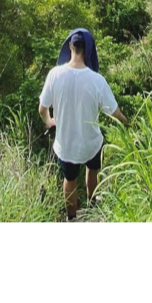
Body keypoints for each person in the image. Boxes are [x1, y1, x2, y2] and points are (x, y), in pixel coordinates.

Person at [39, 30, 126, 220]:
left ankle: (72, 218)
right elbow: (116, 114)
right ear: (88, 50)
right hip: (91, 143)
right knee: (92, 171)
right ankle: (92, 207)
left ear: (69, 47)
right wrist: (129, 125)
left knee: (69, 180)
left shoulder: (55, 75)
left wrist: (49, 121)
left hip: (66, 144)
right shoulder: (97, 80)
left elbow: (42, 109)